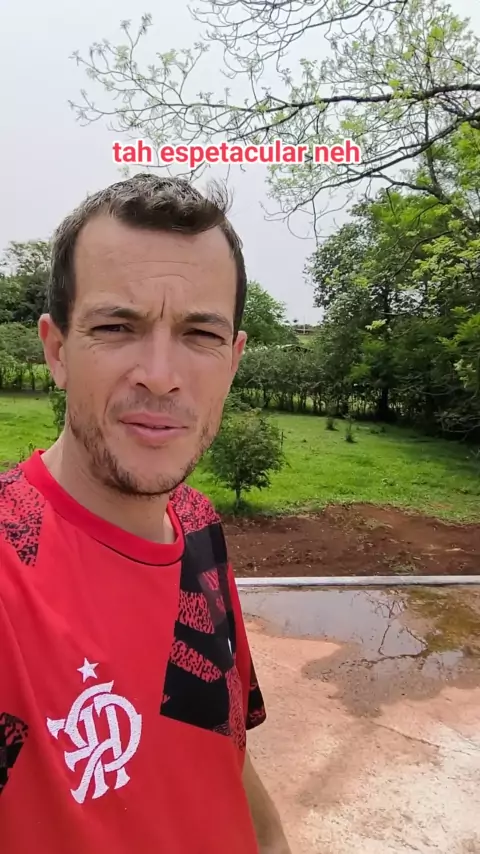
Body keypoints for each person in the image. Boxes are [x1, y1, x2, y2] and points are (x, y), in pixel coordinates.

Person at [0, 174, 292, 854]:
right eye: (116, 327)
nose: (160, 375)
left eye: (200, 333)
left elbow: (217, 741)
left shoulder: (198, 523)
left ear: (234, 360)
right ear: (56, 350)